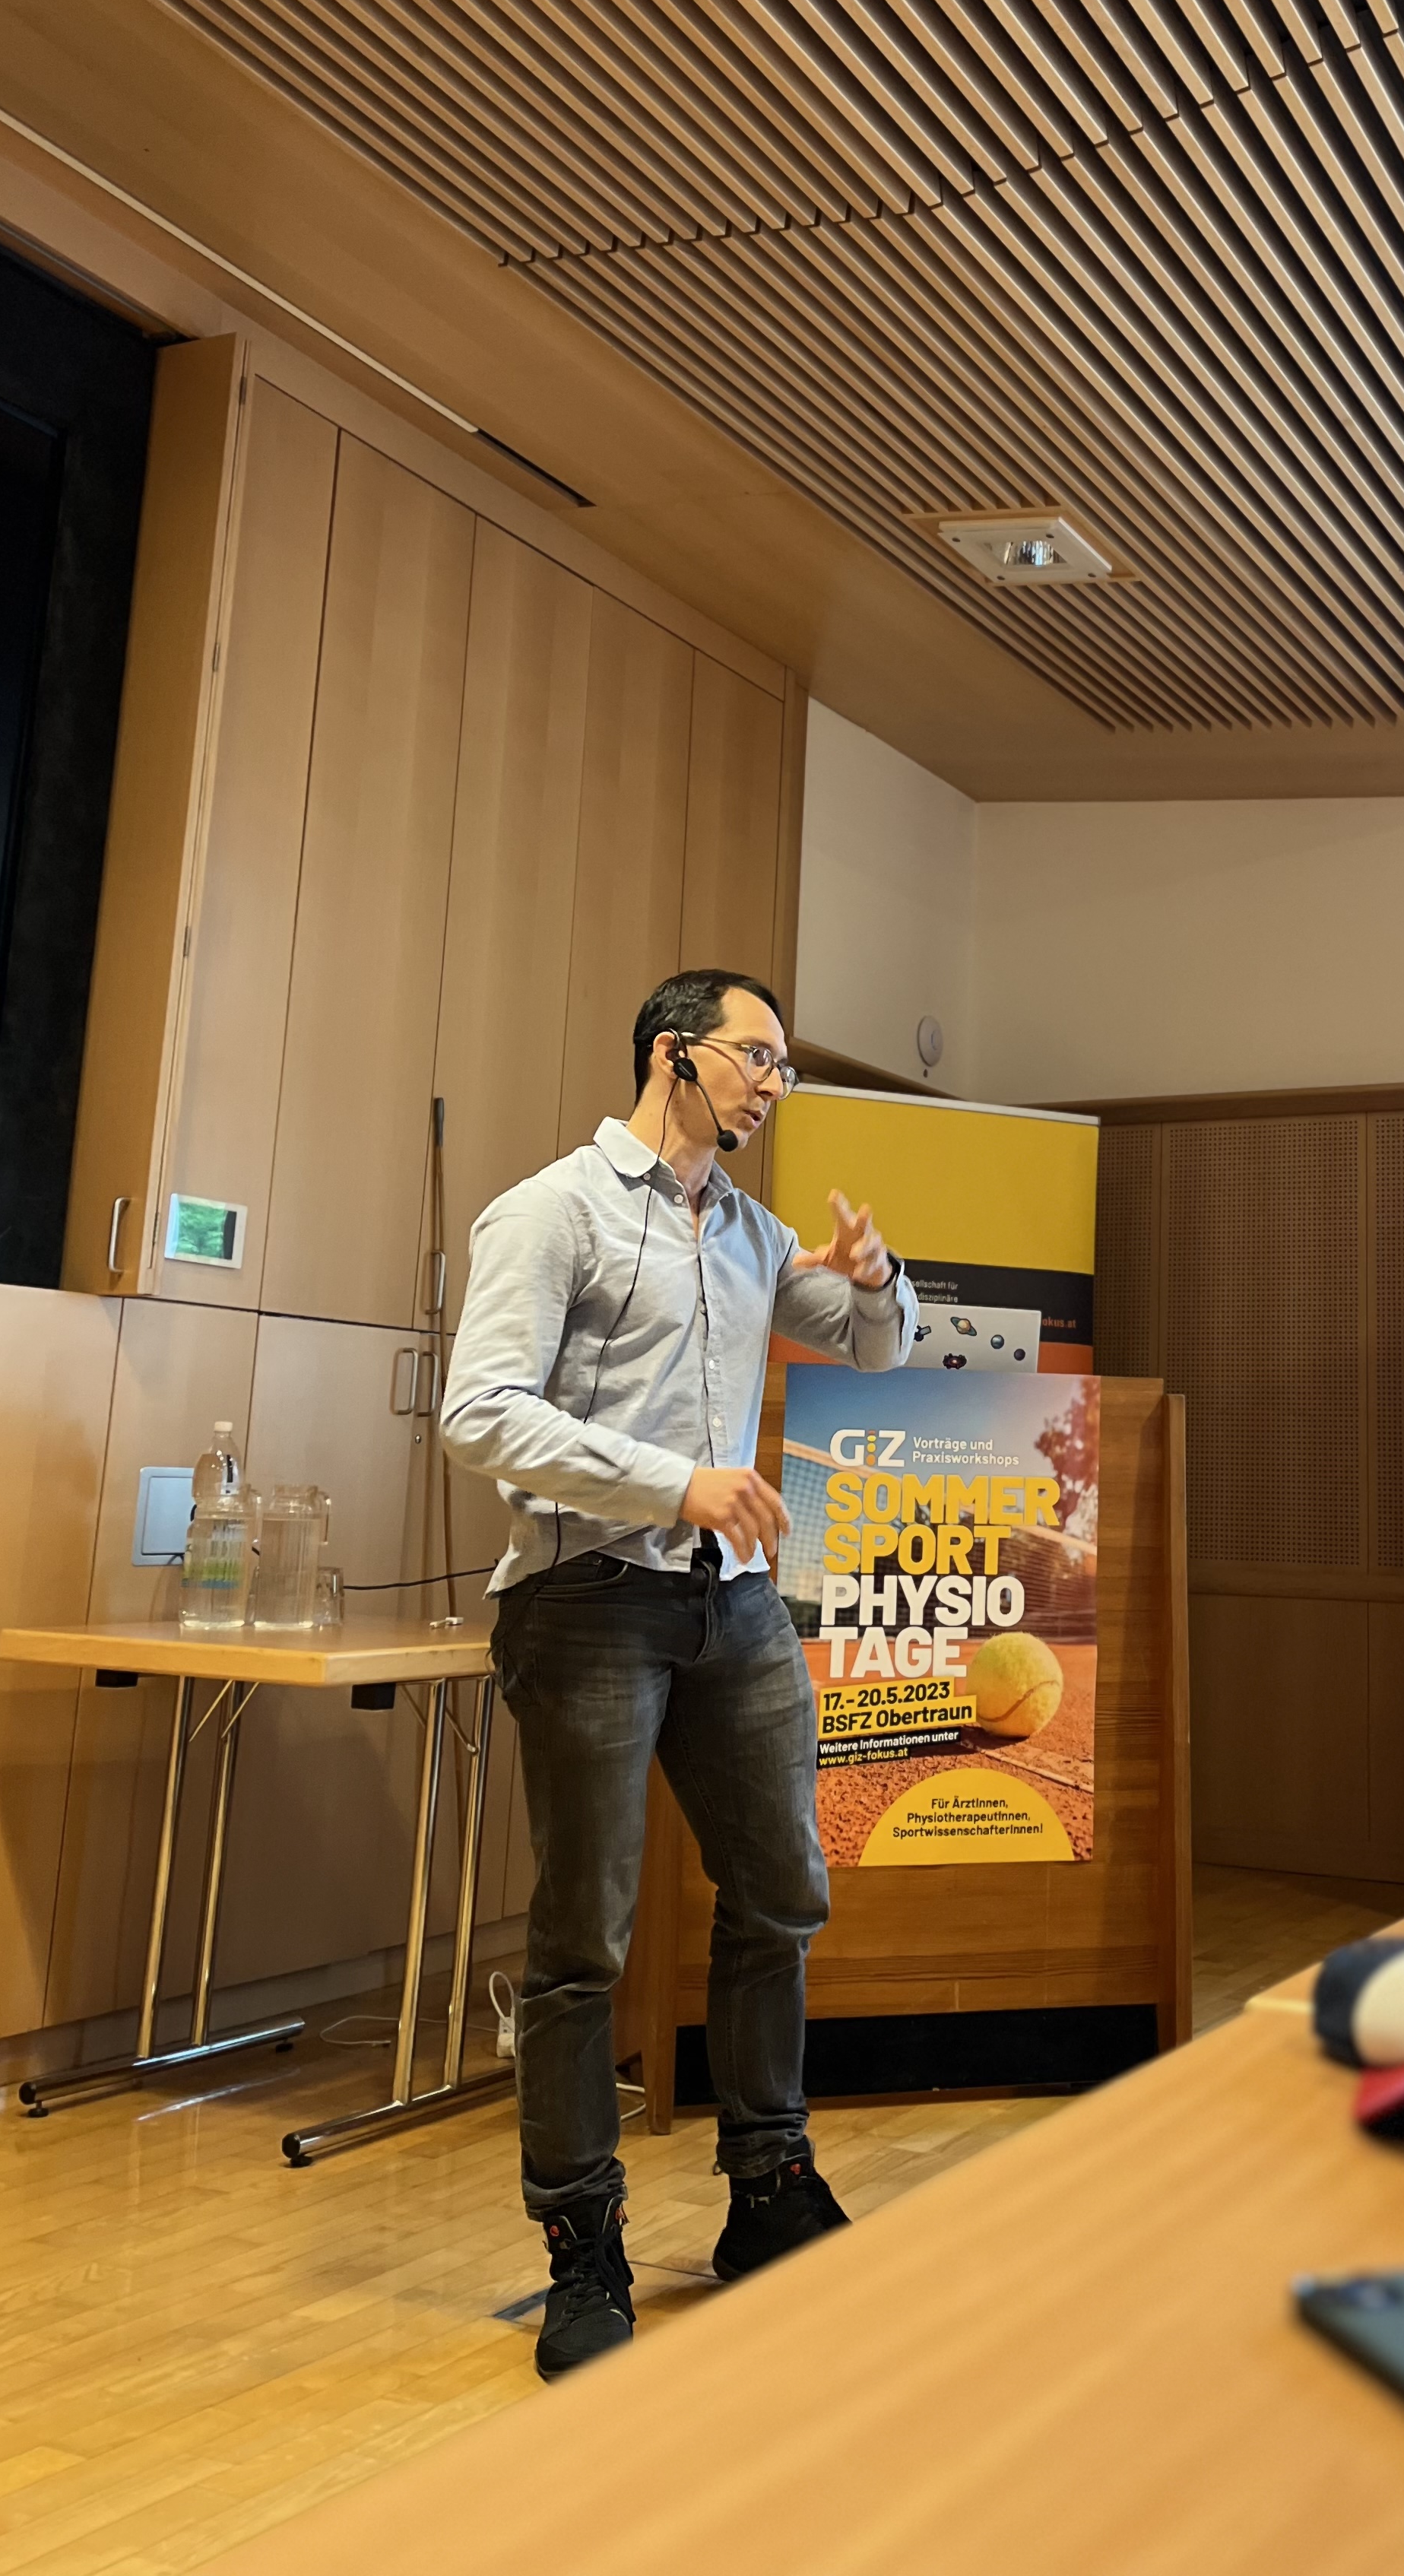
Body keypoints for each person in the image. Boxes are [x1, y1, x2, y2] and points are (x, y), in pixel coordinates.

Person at [441, 968, 914, 2379]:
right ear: (673, 1055)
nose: (774, 1085)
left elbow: (879, 1351)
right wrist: (674, 1483)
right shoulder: (554, 1211)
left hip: (737, 1610)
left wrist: (876, 1278)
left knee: (782, 1893)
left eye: (784, 1067)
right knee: (583, 1939)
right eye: (755, 1057)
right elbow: (481, 1411)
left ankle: (769, 2189)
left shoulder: (754, 1233)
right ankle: (583, 2244)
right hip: (588, 1602)